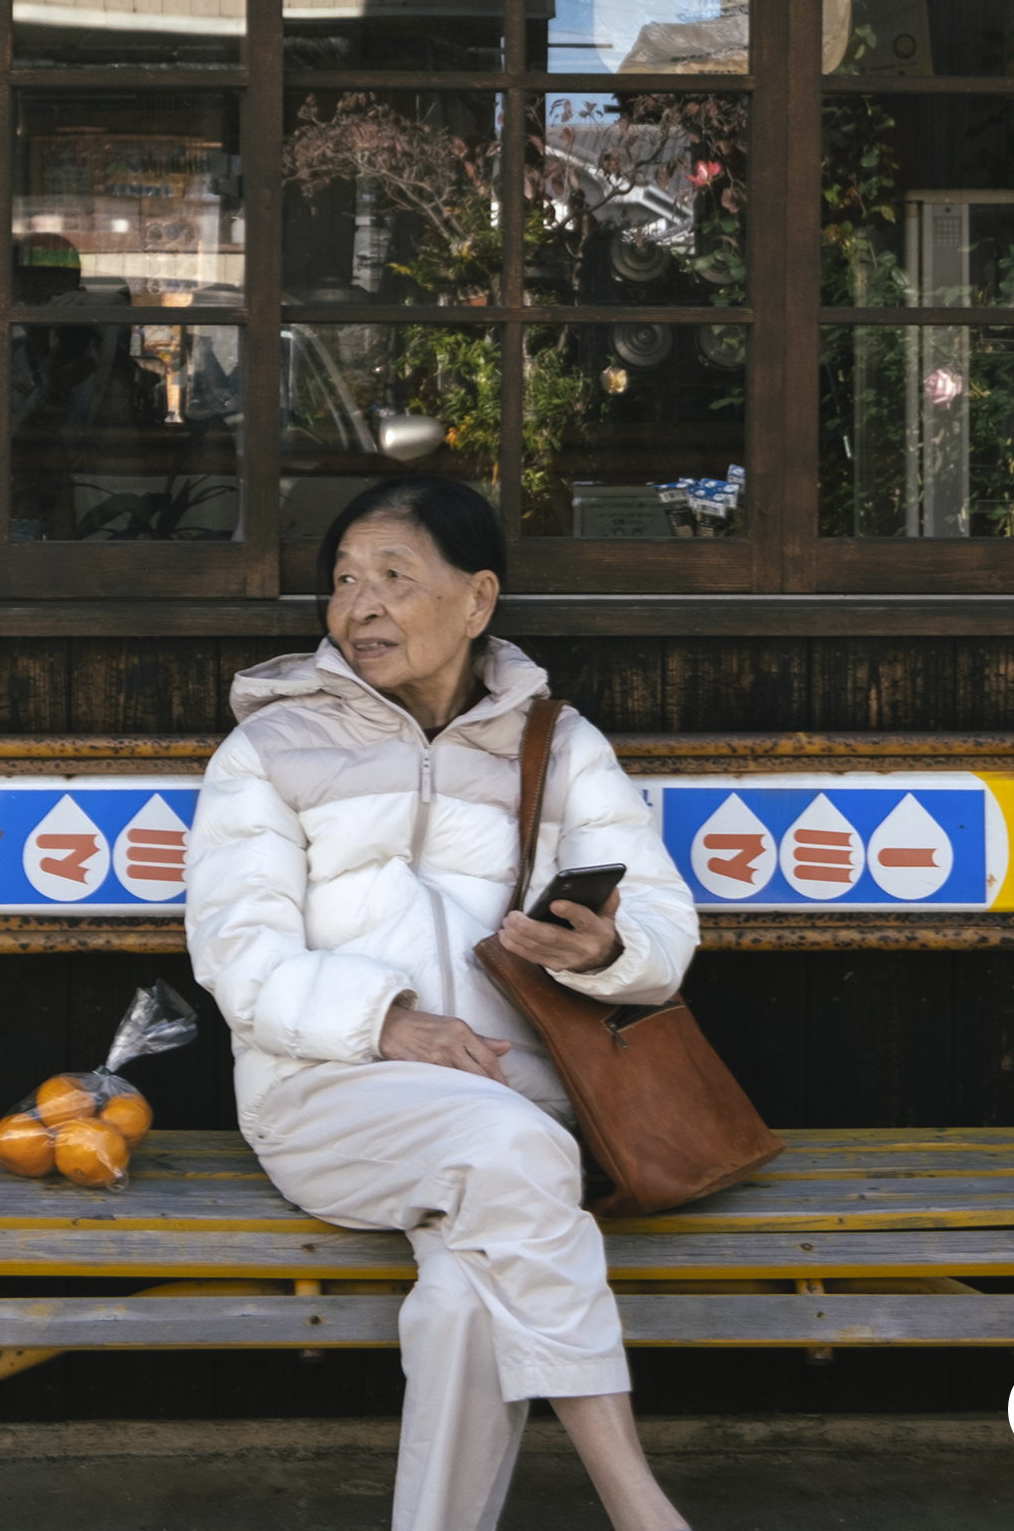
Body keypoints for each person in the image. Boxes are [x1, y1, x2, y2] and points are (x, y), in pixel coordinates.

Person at [185, 476, 697, 1531]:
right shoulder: (269, 751)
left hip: (515, 1097)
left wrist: (606, 949)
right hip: (325, 1093)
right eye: (340, 582)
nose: (358, 606)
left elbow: (661, 928)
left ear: (477, 600)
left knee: (465, 1298)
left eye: (391, 578)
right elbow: (236, 952)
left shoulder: (555, 745)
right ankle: (638, 1505)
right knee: (514, 1159)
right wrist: (386, 1023)